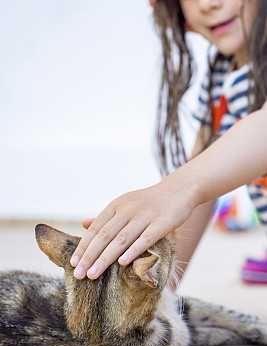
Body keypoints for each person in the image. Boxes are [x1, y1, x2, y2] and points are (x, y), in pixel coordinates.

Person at [70, 0, 267, 288]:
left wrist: (176, 189)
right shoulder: (221, 75)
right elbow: (199, 185)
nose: (209, 4)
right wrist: (158, 289)